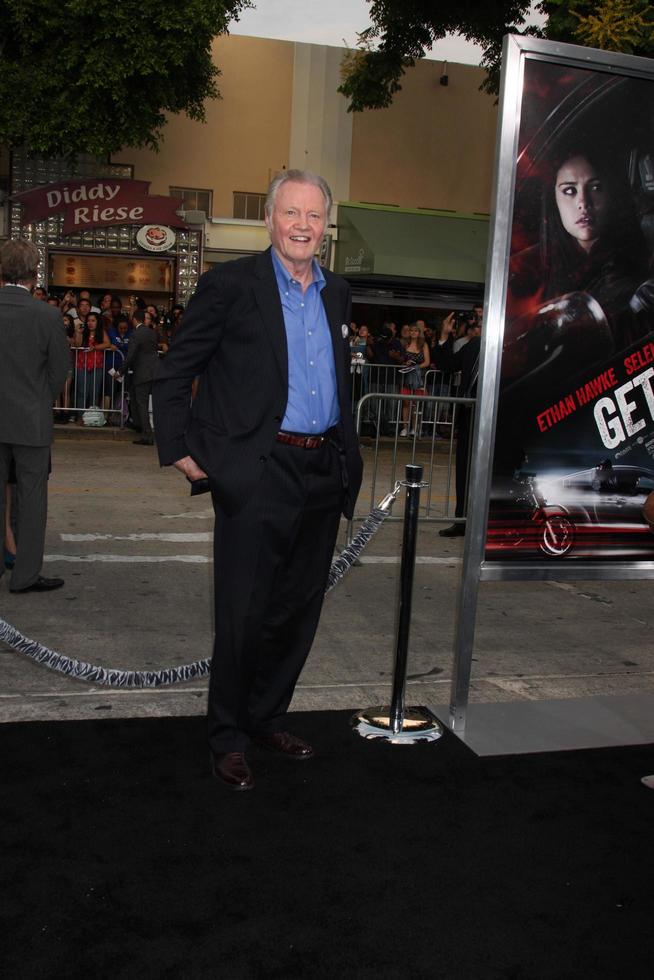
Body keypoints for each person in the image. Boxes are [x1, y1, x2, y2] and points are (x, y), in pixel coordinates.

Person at [154, 169, 363, 791]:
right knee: (243, 614)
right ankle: (227, 737)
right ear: (269, 219)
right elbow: (175, 371)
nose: (303, 226)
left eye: (314, 216)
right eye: (291, 213)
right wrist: (180, 449)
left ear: (327, 226)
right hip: (258, 469)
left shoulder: (338, 292)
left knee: (297, 612)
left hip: (322, 469)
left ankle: (268, 716)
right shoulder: (229, 285)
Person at [0, 239, 69, 593]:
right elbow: (60, 370)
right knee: (31, 500)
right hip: (31, 419)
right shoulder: (47, 315)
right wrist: (41, 399)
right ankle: (25, 575)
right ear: (34, 273)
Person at [434, 309, 482, 536]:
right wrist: (444, 336)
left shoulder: (512, 349)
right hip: (469, 416)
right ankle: (462, 520)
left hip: (497, 418)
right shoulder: (474, 346)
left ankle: (487, 523)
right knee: (464, 469)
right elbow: (448, 364)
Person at [121, 309, 158, 445]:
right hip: (154, 371)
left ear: (134, 319)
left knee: (141, 404)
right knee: (140, 400)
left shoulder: (136, 334)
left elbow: (130, 356)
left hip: (142, 373)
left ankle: (147, 435)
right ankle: (140, 426)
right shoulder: (152, 332)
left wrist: (120, 371)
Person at [399, 322, 430, 437]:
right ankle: (405, 428)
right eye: (411, 330)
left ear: (419, 332)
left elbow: (427, 362)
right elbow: (400, 359)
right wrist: (405, 363)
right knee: (406, 403)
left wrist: (415, 367)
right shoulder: (404, 344)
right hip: (406, 377)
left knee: (416, 404)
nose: (413, 333)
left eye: (416, 331)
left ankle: (414, 428)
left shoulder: (424, 345)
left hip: (418, 377)